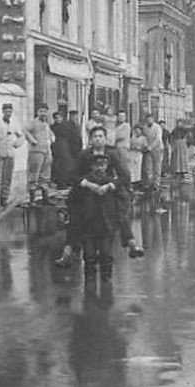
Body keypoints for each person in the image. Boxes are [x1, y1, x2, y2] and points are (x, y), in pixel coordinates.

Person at [68, 149, 130, 284]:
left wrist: (122, 224)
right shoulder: (84, 184)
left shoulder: (112, 183)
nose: (99, 168)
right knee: (89, 255)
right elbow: (73, 200)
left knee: (106, 255)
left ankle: (106, 280)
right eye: (96, 165)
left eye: (102, 165)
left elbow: (123, 203)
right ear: (91, 166)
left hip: (107, 226)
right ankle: (89, 280)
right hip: (88, 226)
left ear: (107, 166)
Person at [0, 102, 25, 208]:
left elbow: (21, 135)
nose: (8, 113)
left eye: (10, 111)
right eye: (6, 111)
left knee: (7, 177)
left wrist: (17, 143)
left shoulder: (14, 124)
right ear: (3, 111)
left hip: (10, 154)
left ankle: (4, 198)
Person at [23, 103, 55, 205]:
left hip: (46, 152)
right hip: (36, 152)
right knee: (34, 174)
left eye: (45, 111)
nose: (43, 113)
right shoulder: (33, 122)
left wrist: (52, 137)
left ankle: (45, 198)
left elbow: (50, 134)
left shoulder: (46, 124)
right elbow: (25, 131)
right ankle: (32, 199)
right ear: (37, 112)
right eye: (41, 111)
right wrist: (32, 140)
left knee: (45, 175)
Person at [51, 109, 83, 188]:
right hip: (57, 148)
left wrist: (75, 148)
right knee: (58, 166)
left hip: (66, 148)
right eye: (56, 118)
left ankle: (65, 182)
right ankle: (59, 182)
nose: (58, 119)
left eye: (59, 117)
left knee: (66, 166)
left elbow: (74, 138)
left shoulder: (68, 126)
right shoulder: (52, 127)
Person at [136, 112, 164, 191]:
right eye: (147, 119)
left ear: (153, 119)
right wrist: (143, 146)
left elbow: (158, 139)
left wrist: (150, 147)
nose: (149, 120)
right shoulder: (145, 127)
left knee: (157, 167)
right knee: (148, 168)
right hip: (147, 150)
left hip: (157, 149)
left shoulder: (157, 127)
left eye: (150, 119)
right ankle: (149, 183)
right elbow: (143, 138)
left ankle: (156, 184)